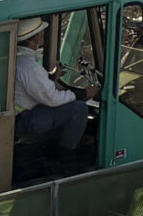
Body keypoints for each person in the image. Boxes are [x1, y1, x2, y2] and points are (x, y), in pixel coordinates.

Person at [13, 25, 93, 156]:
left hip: (20, 117)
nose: (44, 34)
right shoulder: (29, 66)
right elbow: (52, 99)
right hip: (24, 121)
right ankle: (64, 157)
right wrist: (85, 93)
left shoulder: (20, 60)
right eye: (42, 32)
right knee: (79, 108)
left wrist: (51, 78)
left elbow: (35, 87)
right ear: (35, 37)